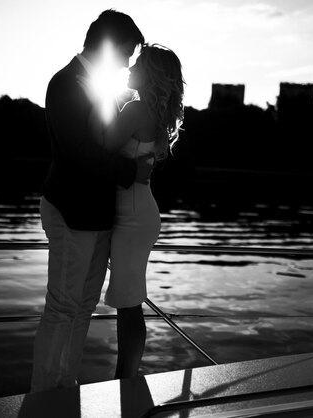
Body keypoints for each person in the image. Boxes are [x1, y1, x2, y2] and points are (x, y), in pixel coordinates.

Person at [30, 9, 152, 393]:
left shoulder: (98, 87)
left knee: (83, 307)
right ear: (108, 46)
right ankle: (46, 394)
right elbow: (79, 151)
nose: (126, 64)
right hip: (71, 211)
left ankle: (64, 385)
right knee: (64, 307)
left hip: (99, 215)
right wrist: (131, 172)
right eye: (126, 55)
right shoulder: (65, 84)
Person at [78, 43, 185, 379]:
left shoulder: (138, 110)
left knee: (129, 301)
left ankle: (124, 378)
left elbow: (104, 143)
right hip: (139, 210)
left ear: (151, 73)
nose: (130, 68)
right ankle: (125, 375)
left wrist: (95, 103)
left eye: (138, 63)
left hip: (133, 215)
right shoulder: (146, 111)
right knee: (130, 300)